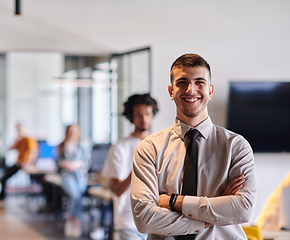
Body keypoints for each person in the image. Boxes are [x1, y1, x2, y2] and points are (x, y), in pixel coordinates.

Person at [130, 53, 257, 239]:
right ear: (170, 91)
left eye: (200, 82)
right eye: (182, 82)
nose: (191, 90)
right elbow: (144, 218)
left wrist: (174, 202)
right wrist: (212, 215)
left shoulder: (236, 146)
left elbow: (244, 210)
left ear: (210, 91)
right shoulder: (149, 148)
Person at [100, 93, 158, 240]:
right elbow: (118, 190)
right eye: (139, 114)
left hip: (157, 218)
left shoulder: (160, 145)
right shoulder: (120, 148)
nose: (144, 118)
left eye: (147, 114)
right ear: (131, 117)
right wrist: (138, 169)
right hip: (129, 220)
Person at [57, 124, 91, 238]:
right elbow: (57, 162)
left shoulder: (82, 145)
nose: (72, 133)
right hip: (67, 176)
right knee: (75, 196)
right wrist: (66, 164)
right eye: (70, 131)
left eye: (74, 131)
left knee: (77, 197)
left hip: (81, 176)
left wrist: (77, 164)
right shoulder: (62, 146)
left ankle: (71, 220)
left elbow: (87, 162)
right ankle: (75, 221)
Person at [0, 123, 38, 204]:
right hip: (18, 163)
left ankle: (1, 197)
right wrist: (16, 140)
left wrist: (27, 163)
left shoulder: (29, 139)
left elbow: (33, 152)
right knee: (4, 177)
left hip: (24, 164)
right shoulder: (20, 140)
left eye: (20, 129)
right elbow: (10, 148)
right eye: (18, 130)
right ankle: (1, 197)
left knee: (4, 178)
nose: (19, 131)